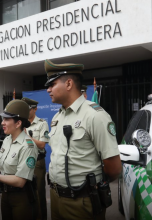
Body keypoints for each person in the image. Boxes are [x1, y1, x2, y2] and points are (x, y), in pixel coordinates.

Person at [44, 59, 122, 220]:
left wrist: (93, 185)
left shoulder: (95, 115)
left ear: (69, 84)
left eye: (52, 84)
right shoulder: (58, 116)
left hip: (82, 202)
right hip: (56, 196)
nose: (48, 90)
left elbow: (113, 167)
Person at [0, 99, 39, 220]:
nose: (2, 123)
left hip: (21, 197)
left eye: (6, 119)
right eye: (3, 119)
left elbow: (20, 181)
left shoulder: (28, 146)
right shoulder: (7, 140)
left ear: (18, 123)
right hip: (5, 195)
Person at [22, 97, 49, 220]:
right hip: (23, 161)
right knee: (24, 193)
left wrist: (28, 138)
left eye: (28, 109)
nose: (26, 112)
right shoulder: (21, 123)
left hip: (37, 161)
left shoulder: (42, 123)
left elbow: (42, 144)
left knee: (38, 193)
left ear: (35, 109)